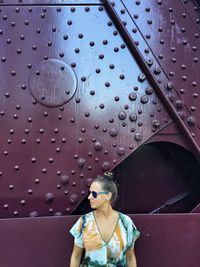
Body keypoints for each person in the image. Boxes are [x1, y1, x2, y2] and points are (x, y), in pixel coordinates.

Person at [69, 172, 140, 267]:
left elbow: (130, 257)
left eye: (94, 194)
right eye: (89, 193)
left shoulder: (126, 222)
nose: (89, 197)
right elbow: (76, 257)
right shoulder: (84, 221)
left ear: (107, 196)